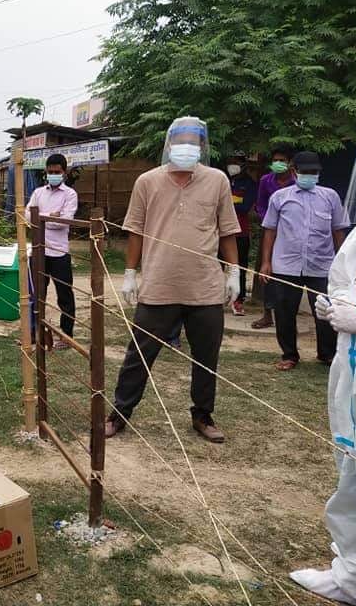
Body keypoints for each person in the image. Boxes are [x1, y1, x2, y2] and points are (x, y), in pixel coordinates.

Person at [105, 117, 241, 444]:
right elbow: (135, 230)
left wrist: (234, 272)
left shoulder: (217, 180)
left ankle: (203, 416)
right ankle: (119, 414)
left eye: (193, 141)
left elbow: (227, 231)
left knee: (207, 357)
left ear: (202, 147)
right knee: (138, 355)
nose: (186, 146)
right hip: (158, 285)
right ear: (169, 145)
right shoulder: (147, 182)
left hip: (205, 288)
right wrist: (129, 274)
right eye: (180, 140)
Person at [290, 132, 356, 605]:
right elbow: (342, 280)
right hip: (352, 370)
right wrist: (334, 305)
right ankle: (354, 578)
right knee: (352, 470)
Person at [260, 151, 349, 371]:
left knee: (325, 310)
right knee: (284, 311)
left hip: (322, 264)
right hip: (286, 265)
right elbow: (270, 230)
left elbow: (338, 230)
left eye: (314, 172)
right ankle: (289, 355)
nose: (310, 175)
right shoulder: (280, 197)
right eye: (305, 172)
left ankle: (326, 354)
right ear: (295, 171)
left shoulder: (330, 196)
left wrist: (343, 261)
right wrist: (266, 262)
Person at [25, 153, 79, 342]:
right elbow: (27, 216)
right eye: (50, 172)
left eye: (57, 171)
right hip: (39, 251)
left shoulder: (70, 194)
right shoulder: (39, 193)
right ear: (46, 172)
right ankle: (33, 334)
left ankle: (66, 335)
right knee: (36, 295)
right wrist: (50, 215)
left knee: (65, 295)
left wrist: (41, 217)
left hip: (59, 252)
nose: (53, 174)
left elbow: (64, 222)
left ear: (64, 173)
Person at [252, 144, 296, 329]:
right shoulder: (266, 181)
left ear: (290, 163)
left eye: (282, 161)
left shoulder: (297, 182)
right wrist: (269, 221)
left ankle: (286, 315)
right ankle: (267, 313)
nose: (278, 164)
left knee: (287, 271)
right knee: (266, 268)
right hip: (269, 230)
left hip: (290, 233)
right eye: (275, 160)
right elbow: (260, 205)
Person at [227, 152, 257, 316]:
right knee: (215, 266)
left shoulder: (249, 184)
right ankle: (216, 298)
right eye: (230, 161)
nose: (232, 165)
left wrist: (227, 202)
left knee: (239, 267)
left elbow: (245, 207)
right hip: (219, 232)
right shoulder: (222, 180)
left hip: (240, 232)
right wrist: (235, 200)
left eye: (236, 162)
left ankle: (238, 300)